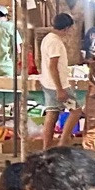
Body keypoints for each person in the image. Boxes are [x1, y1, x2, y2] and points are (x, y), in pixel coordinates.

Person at [39, 12, 76, 150]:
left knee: (52, 113)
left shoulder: (48, 38)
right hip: (58, 85)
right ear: (66, 28)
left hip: (48, 83)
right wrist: (60, 89)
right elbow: (53, 66)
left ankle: (47, 147)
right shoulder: (55, 42)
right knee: (76, 110)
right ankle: (62, 142)